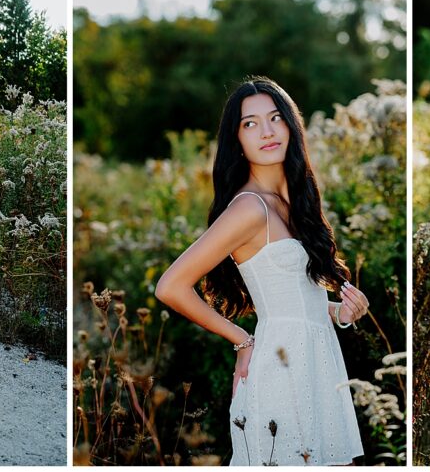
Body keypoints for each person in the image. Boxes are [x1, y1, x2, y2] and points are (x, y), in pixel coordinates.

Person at [155, 76, 367, 465]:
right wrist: (242, 340)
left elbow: (294, 301)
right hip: (280, 372)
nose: (266, 132)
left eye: (275, 118)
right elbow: (170, 286)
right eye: (249, 124)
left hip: (317, 366)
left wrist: (340, 311)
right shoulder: (249, 208)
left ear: (291, 124)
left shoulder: (292, 201)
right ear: (236, 139)